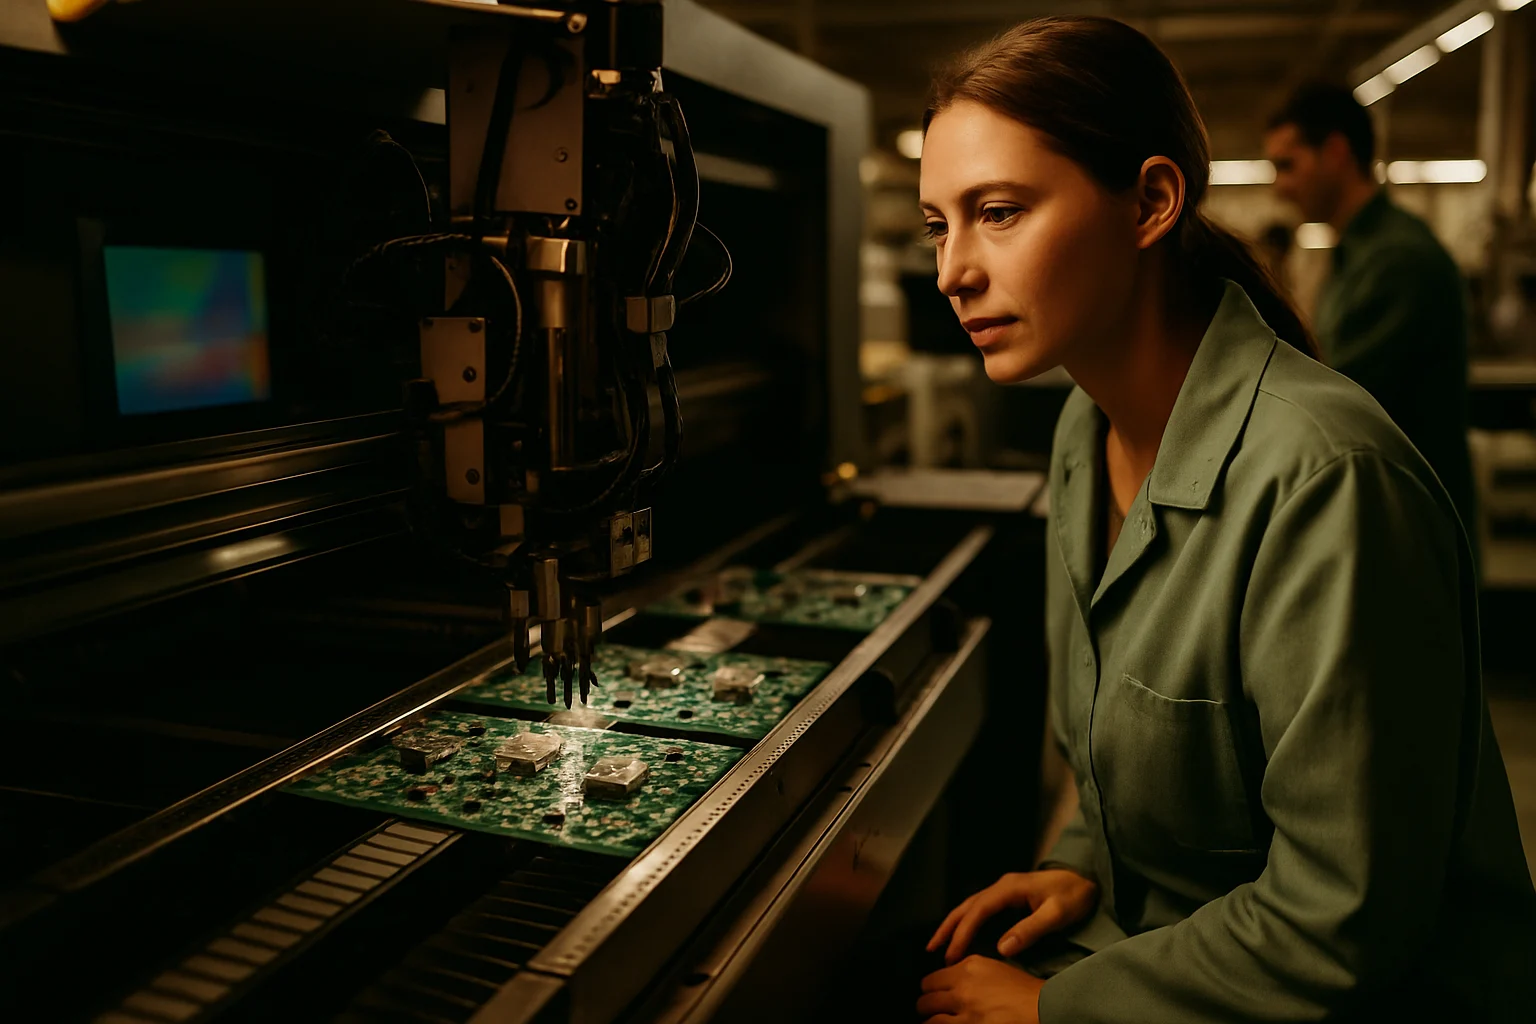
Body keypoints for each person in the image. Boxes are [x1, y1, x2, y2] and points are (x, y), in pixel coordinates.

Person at [915, 16, 1534, 1024]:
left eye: (999, 211)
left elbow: (1341, 916)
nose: (954, 270)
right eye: (940, 223)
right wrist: (1082, 864)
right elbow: (1112, 754)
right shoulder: (1085, 431)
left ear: (1152, 201)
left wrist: (1054, 1010)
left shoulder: (1323, 480)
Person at [1265, 82, 1479, 563]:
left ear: (1337, 152)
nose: (1279, 186)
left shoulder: (1396, 260)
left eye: (1288, 164)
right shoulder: (1357, 254)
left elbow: (1336, 399)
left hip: (1409, 530)